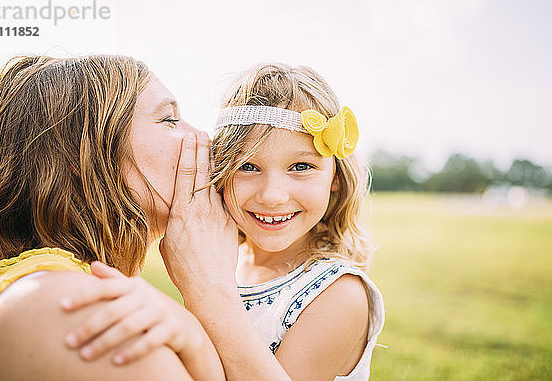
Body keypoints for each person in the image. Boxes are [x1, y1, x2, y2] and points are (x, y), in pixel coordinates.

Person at [64, 63, 385, 380]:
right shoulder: (224, 262)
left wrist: (203, 293)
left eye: (300, 167)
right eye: (248, 166)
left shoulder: (338, 294)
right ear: (221, 172)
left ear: (335, 179)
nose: (272, 195)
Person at [0, 55, 227, 381]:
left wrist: (197, 341)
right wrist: (213, 294)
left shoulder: (65, 292)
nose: (204, 137)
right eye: (169, 120)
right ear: (83, 153)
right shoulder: (76, 306)